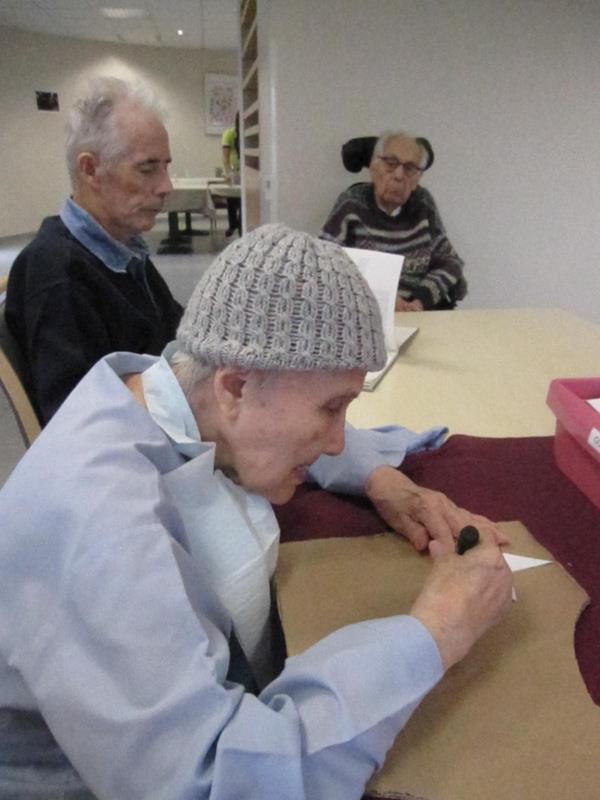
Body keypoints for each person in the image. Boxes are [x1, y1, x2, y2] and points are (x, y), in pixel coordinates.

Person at [0, 225, 512, 800]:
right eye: (332, 409)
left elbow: (260, 417)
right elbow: (215, 782)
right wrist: (436, 632)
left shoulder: (162, 387)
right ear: (236, 388)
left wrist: (379, 478)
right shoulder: (99, 528)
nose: (338, 442)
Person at [5, 76, 183, 425]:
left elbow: (174, 328)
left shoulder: (122, 247)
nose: (166, 186)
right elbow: (80, 420)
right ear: (90, 170)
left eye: (166, 167)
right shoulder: (58, 273)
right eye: (147, 168)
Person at [321, 130, 467, 311]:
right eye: (391, 163)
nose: (399, 175)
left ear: (417, 179)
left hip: (418, 311)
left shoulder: (422, 203)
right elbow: (324, 262)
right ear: (374, 169)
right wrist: (383, 297)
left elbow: (450, 261)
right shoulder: (352, 203)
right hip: (367, 311)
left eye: (410, 168)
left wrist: (420, 300)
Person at [221, 112, 242, 237]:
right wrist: (227, 173)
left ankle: (241, 224)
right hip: (234, 171)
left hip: (247, 172)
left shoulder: (245, 134)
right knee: (231, 199)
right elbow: (225, 156)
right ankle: (232, 224)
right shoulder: (229, 134)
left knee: (243, 199)